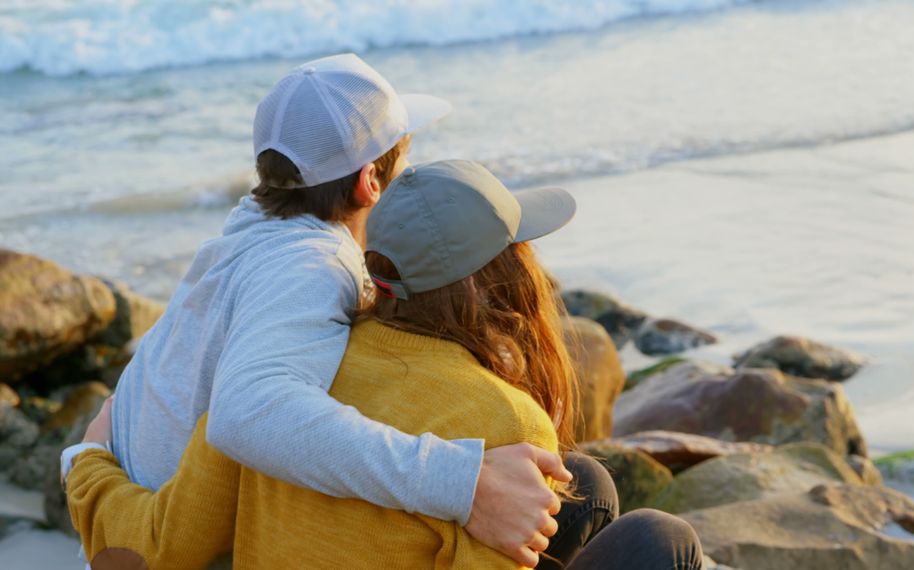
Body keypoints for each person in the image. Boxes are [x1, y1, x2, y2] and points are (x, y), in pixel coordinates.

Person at [60, 54, 569, 568]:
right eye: (404, 165)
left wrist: (86, 461)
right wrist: (460, 482)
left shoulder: (245, 232)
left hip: (134, 524)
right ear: (371, 181)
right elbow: (248, 413)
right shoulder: (316, 265)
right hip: (155, 537)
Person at [65, 160, 705, 569]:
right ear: (491, 283)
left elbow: (163, 542)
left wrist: (87, 463)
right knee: (658, 542)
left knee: (584, 484)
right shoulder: (502, 424)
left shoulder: (274, 379)